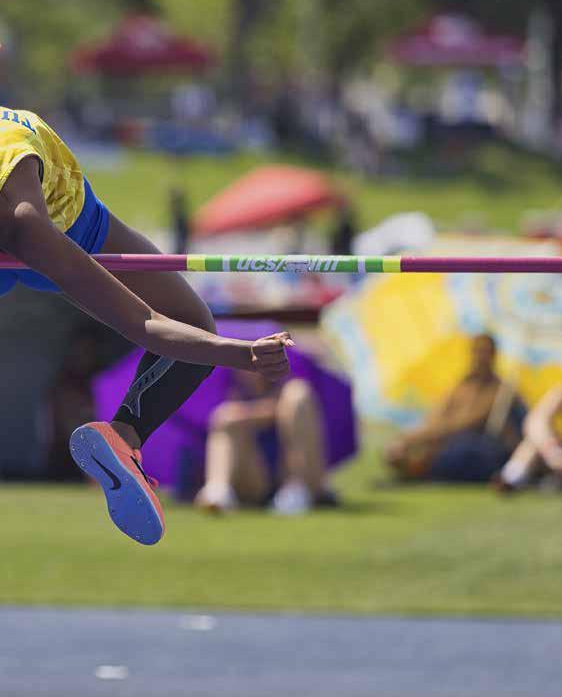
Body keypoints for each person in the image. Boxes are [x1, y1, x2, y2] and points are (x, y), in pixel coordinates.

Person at [0, 105, 292, 545]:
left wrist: (237, 352)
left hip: (72, 226)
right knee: (194, 327)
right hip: (56, 227)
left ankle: (123, 438)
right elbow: (146, 322)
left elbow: (144, 321)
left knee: (192, 323)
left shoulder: (25, 212)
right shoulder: (23, 219)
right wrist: (240, 353)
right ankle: (123, 437)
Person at [384, 334, 525, 483]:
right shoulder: (461, 386)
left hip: (476, 446)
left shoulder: (501, 391)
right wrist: (412, 437)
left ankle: (419, 470)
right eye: (477, 351)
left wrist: (415, 438)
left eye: (485, 352)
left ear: (493, 355)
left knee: (463, 451)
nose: (481, 357)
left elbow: (467, 423)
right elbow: (437, 415)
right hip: (446, 440)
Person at [194, 372, 335, 514]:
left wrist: (252, 415)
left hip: (293, 470)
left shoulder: (290, 388)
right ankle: (218, 490)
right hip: (256, 479)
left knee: (298, 394)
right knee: (227, 417)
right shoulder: (230, 389)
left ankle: (296, 489)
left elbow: (290, 406)